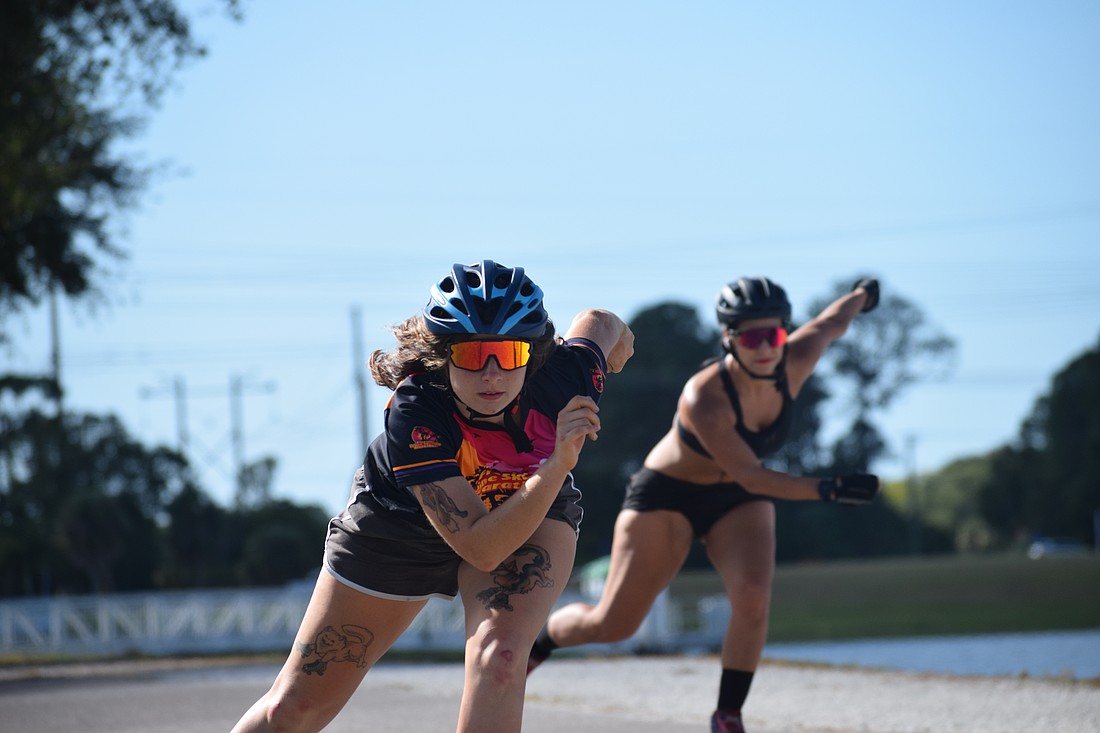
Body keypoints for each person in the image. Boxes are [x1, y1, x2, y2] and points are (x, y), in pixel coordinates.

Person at [230, 259, 634, 733]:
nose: (491, 375)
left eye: (506, 354)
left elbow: (604, 325)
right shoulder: (415, 409)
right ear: (442, 356)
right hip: (403, 523)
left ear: (533, 353)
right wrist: (557, 464)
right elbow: (482, 548)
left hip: (526, 502)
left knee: (500, 658)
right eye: (469, 355)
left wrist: (610, 359)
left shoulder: (567, 376)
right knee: (291, 710)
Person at [526, 275, 882, 733]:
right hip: (668, 493)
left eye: (774, 334)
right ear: (728, 338)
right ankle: (542, 642)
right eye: (751, 337)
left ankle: (727, 716)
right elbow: (752, 473)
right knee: (613, 624)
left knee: (754, 596)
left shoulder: (796, 359)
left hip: (736, 497)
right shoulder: (705, 396)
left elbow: (832, 323)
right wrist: (830, 489)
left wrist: (861, 296)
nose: (765, 348)